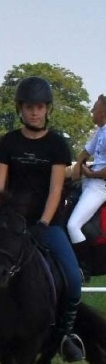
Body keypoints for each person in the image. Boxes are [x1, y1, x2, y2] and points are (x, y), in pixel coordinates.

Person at [0, 76, 83, 361]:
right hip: (10, 225)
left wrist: (42, 223)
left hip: (46, 224)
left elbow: (55, 189)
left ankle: (65, 335)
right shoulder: (8, 142)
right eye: (29, 107)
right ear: (20, 109)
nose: (34, 112)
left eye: (39, 107)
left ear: (47, 109)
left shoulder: (57, 145)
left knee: (74, 279)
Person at [66, 94, 106, 249]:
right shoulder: (101, 131)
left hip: (99, 187)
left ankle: (83, 267)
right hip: (90, 181)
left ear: (102, 113)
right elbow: (85, 152)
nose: (91, 110)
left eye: (94, 108)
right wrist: (77, 167)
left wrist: (91, 174)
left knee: (73, 226)